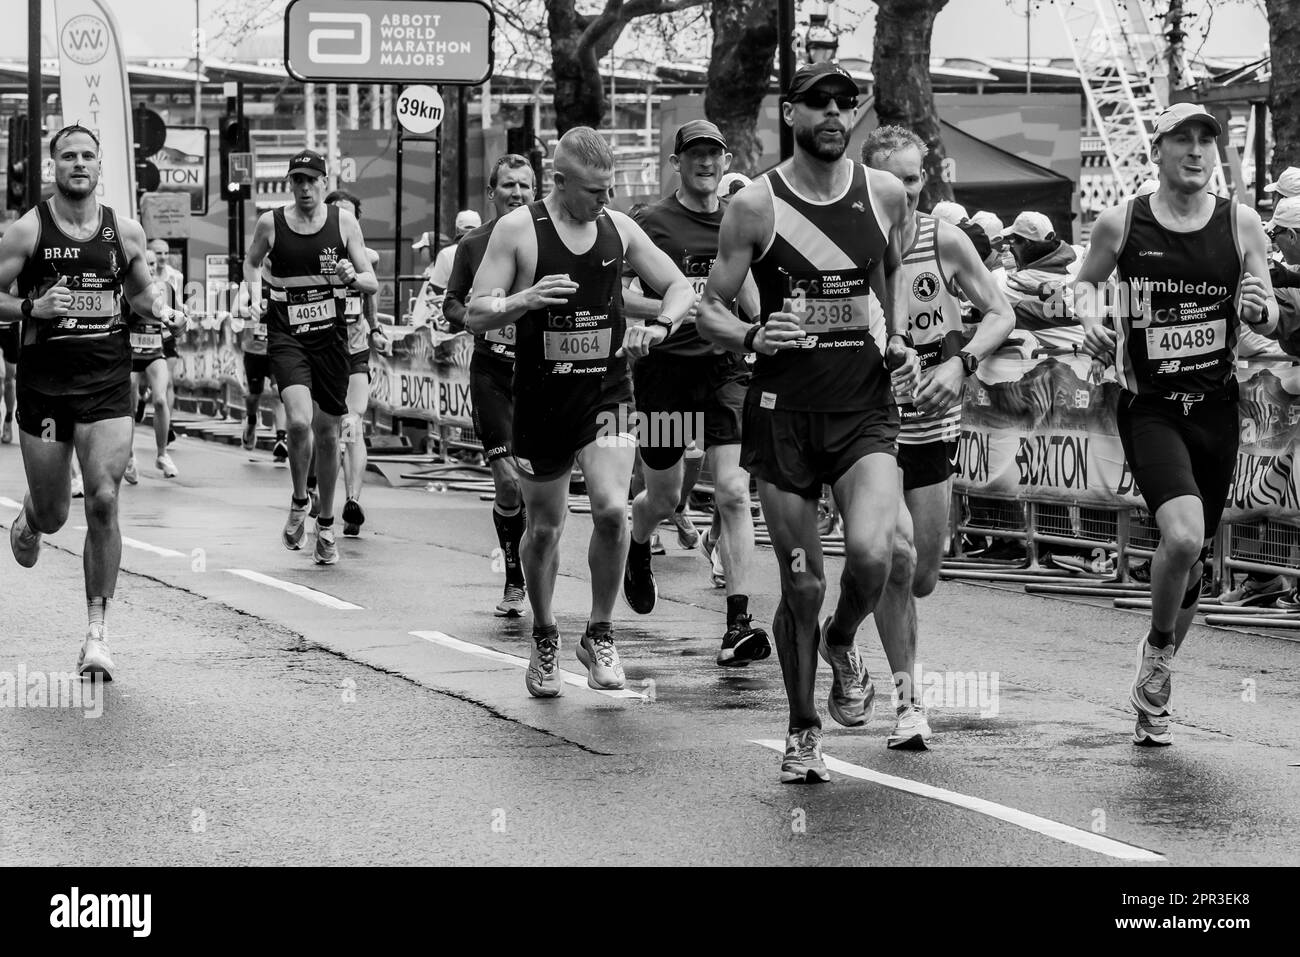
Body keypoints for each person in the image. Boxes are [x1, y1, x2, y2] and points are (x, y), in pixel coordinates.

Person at [698, 62, 918, 783]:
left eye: (844, 102)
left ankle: (843, 641)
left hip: (862, 411)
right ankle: (802, 730)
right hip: (782, 415)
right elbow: (710, 306)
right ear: (789, 112)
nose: (833, 112)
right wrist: (753, 338)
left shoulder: (884, 195)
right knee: (800, 584)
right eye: (817, 101)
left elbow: (884, 287)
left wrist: (899, 345)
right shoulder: (756, 206)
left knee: (875, 554)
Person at [1075, 102, 1277, 746]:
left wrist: (1261, 307)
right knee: (1184, 539)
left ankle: (1154, 685)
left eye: (1205, 141)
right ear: (1157, 152)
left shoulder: (1241, 223)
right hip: (1151, 408)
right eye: (1181, 140)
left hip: (1216, 408)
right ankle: (1159, 651)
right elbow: (1082, 286)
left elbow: (1268, 311)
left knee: (1190, 565)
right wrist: (1091, 320)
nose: (1195, 152)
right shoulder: (1123, 221)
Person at [467, 126, 695, 697]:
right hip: (542, 401)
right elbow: (473, 311)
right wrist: (523, 299)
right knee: (543, 528)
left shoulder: (618, 228)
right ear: (560, 182)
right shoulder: (520, 231)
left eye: (609, 188)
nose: (605, 200)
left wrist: (661, 324)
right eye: (594, 191)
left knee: (613, 510)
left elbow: (678, 286)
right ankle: (545, 636)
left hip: (607, 394)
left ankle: (599, 631)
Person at [0, 124, 182, 679]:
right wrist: (33, 310)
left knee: (103, 498)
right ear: (52, 166)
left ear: (101, 166)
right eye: (68, 156)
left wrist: (160, 308)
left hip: (106, 380)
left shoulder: (124, 233)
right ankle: (32, 517)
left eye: (88, 156)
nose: (78, 164)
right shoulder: (27, 231)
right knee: (57, 513)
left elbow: (139, 291)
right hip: (45, 386)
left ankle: (97, 634)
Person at [862, 126, 1016, 749]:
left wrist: (962, 363)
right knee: (893, 559)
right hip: (868, 426)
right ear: (868, 180)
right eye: (892, 178)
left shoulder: (944, 240)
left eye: (915, 177)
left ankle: (844, 622)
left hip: (932, 425)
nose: (905, 189)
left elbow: (1001, 313)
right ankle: (907, 703)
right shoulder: (848, 242)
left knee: (923, 570)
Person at [621, 119, 772, 666]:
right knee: (662, 498)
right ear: (676, 163)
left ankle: (738, 623)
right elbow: (619, 295)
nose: (706, 163)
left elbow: (751, 290)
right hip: (665, 374)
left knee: (733, 491)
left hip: (726, 371)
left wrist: (769, 329)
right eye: (695, 155)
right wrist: (672, 307)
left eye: (714, 154)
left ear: (725, 162)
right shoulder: (651, 222)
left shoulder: (742, 220)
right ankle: (638, 543)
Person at [244, 149, 377, 565]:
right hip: (288, 337)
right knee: (299, 421)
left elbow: (371, 281)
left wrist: (352, 277)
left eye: (311, 181)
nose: (304, 188)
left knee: (329, 433)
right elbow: (250, 264)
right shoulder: (272, 223)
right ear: (290, 184)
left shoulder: (344, 222)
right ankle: (300, 499)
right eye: (297, 181)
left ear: (324, 182)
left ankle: (325, 523)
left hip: (331, 341)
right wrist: (252, 294)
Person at [443, 154, 536, 617]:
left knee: (540, 484)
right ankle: (515, 579)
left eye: (523, 185)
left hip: (544, 375)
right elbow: (452, 305)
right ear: (491, 193)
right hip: (493, 372)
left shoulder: (553, 239)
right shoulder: (475, 244)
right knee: (508, 480)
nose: (515, 193)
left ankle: (539, 570)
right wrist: (481, 320)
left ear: (537, 189)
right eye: (507, 186)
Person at [324, 189, 387, 537]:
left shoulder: (367, 257)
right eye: (333, 213)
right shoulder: (311, 255)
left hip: (354, 348)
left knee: (352, 421)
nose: (340, 220)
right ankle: (318, 500)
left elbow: (369, 294)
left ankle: (353, 500)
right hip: (319, 349)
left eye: (347, 214)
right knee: (328, 430)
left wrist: (375, 328)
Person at [125, 244, 184, 480]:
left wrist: (176, 322)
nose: (150, 268)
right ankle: (129, 457)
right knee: (128, 408)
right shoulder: (128, 286)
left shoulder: (166, 287)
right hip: (130, 355)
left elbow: (177, 316)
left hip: (154, 351)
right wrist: (141, 305)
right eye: (146, 264)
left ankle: (162, 454)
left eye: (152, 264)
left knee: (160, 400)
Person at [1002, 210, 1082, 352]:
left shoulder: (1017, 283)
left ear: (1026, 243)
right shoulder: (1080, 253)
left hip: (1073, 361)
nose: (1012, 247)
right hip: (1106, 352)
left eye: (1013, 241)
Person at [238, 267, 289, 460]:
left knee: (279, 393)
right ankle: (251, 422)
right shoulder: (250, 281)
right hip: (254, 350)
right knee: (253, 396)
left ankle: (281, 439)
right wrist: (250, 310)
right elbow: (238, 308)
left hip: (277, 348)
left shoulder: (283, 278)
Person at [148, 239, 183, 447]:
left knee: (167, 382)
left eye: (165, 253)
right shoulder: (139, 274)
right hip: (144, 332)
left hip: (165, 333)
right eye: (157, 254)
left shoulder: (175, 276)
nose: (162, 258)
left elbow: (178, 303)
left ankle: (166, 424)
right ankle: (143, 399)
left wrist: (181, 315)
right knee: (141, 383)